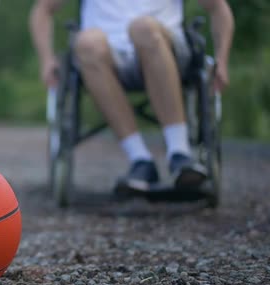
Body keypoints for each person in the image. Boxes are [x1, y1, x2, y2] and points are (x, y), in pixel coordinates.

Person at [29, 0, 234, 194]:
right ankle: (140, 160)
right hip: (106, 57)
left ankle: (180, 153)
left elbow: (217, 8)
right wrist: (46, 60)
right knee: (86, 42)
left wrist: (222, 60)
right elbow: (43, 10)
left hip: (166, 51)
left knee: (143, 28)